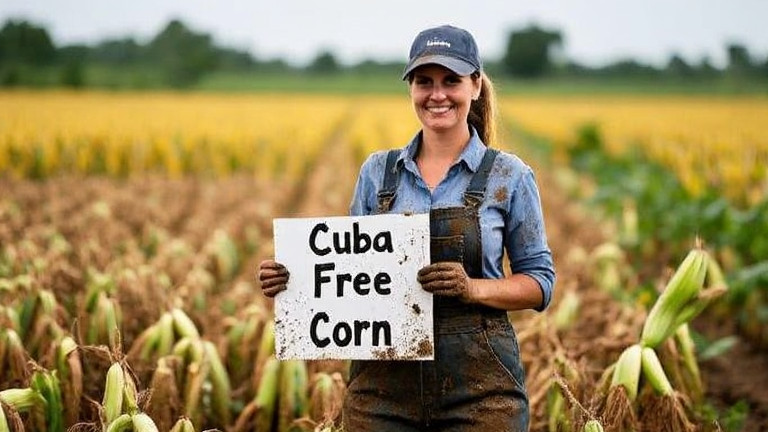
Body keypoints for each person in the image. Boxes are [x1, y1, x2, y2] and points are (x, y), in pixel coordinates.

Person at [258, 24, 555, 432]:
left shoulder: (510, 176)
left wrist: (474, 288)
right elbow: (352, 275)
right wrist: (294, 280)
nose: (437, 94)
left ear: (475, 85)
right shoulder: (377, 174)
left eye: (451, 80)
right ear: (411, 89)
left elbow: (540, 283)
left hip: (481, 392)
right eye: (423, 82)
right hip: (381, 392)